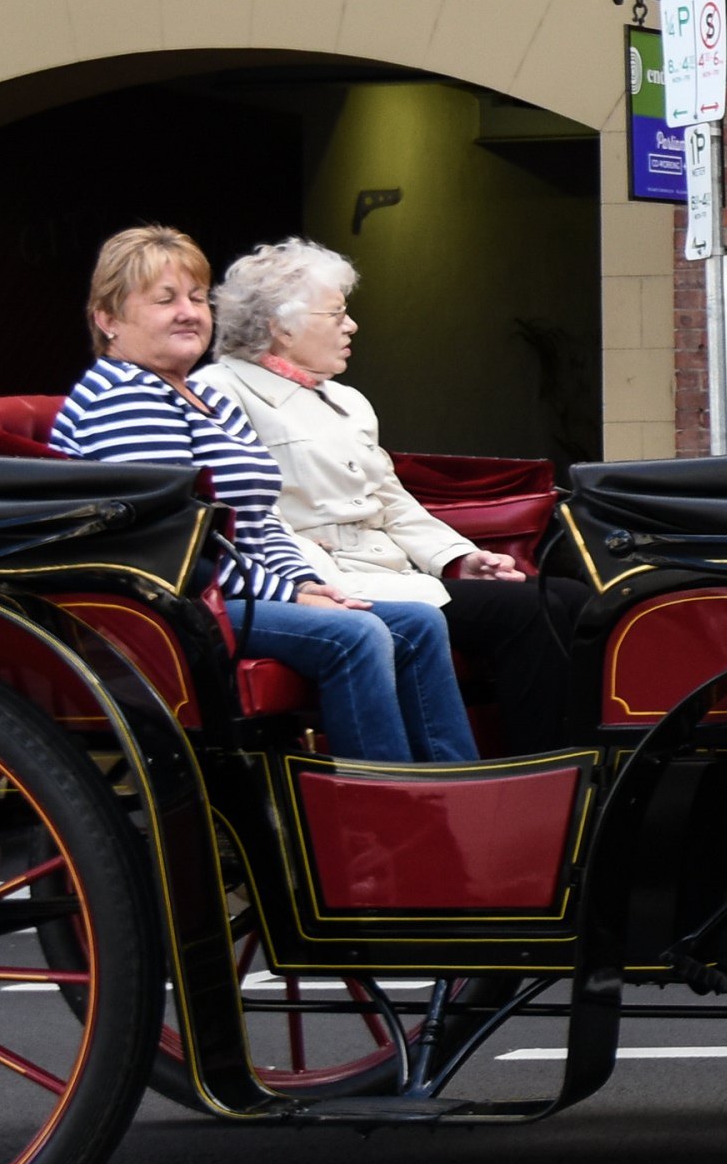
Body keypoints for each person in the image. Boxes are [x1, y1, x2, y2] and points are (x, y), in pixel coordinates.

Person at [47, 224, 477, 763]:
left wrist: (300, 579)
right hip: (176, 601)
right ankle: (381, 816)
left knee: (417, 621)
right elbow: (177, 538)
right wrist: (284, 593)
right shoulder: (127, 396)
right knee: (357, 634)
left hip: (229, 592)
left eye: (197, 298)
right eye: (165, 300)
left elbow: (260, 517)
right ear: (107, 320)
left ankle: (451, 787)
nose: (188, 312)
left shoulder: (199, 399)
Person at [199, 238, 584, 754]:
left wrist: (458, 558)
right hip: (330, 576)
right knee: (526, 613)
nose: (351, 325)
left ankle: (580, 772)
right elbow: (251, 513)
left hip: (393, 568)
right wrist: (313, 580)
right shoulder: (222, 390)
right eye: (336, 313)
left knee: (573, 600)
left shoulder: (347, 400)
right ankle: (539, 770)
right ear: (279, 326)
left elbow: (393, 500)